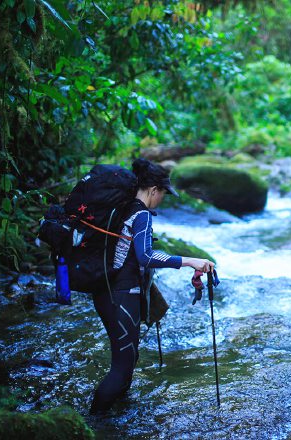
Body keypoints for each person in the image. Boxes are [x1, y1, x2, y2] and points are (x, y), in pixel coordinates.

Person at [90, 158, 215, 413]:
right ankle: (92, 423)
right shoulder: (141, 215)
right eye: (163, 195)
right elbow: (145, 256)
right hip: (121, 295)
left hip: (106, 292)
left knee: (127, 358)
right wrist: (190, 261)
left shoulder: (122, 208)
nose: (163, 200)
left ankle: (117, 415)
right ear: (153, 190)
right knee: (122, 367)